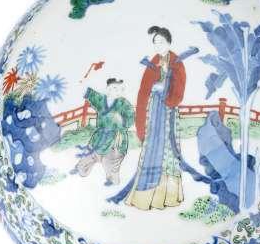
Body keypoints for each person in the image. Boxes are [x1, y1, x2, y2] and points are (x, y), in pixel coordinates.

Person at [124, 26, 187, 210]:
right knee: (152, 146)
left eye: (161, 42)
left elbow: (179, 88)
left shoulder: (177, 62)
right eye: (155, 42)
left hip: (168, 111)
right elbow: (144, 90)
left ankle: (168, 196)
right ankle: (145, 196)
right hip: (154, 110)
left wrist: (168, 94)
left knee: (167, 147)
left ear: (169, 42)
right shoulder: (153, 61)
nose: (158, 45)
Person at [74, 78, 134, 186]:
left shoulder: (124, 104)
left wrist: (121, 119)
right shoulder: (101, 100)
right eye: (114, 88)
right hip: (100, 136)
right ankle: (81, 168)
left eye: (120, 89)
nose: (118, 91)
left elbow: (130, 119)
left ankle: (112, 180)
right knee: (89, 155)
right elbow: (90, 94)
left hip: (116, 138)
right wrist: (81, 83)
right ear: (108, 89)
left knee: (111, 162)